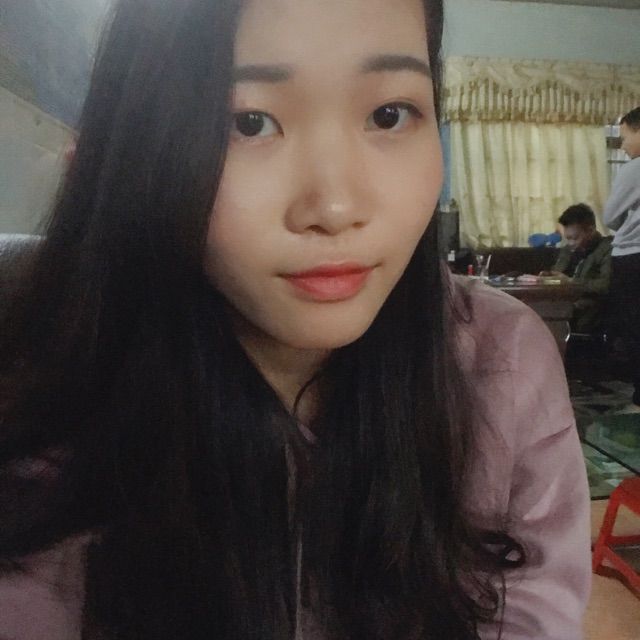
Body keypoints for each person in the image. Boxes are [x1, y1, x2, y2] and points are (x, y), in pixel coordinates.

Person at [0, 1, 590, 639]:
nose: (334, 207)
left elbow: (532, 611)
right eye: (249, 122)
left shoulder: (501, 358)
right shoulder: (48, 401)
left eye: (389, 114)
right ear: (140, 145)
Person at [603, 107, 640, 410]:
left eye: (625, 137)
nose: (623, 145)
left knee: (633, 329)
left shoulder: (634, 169)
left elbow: (610, 217)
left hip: (632, 257)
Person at [541, 203, 612, 333]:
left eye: (575, 238)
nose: (571, 243)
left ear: (591, 230)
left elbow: (605, 285)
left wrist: (571, 282)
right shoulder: (567, 250)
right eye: (567, 238)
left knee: (547, 313)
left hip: (589, 306)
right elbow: (558, 273)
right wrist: (548, 276)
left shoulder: (607, 248)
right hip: (562, 301)